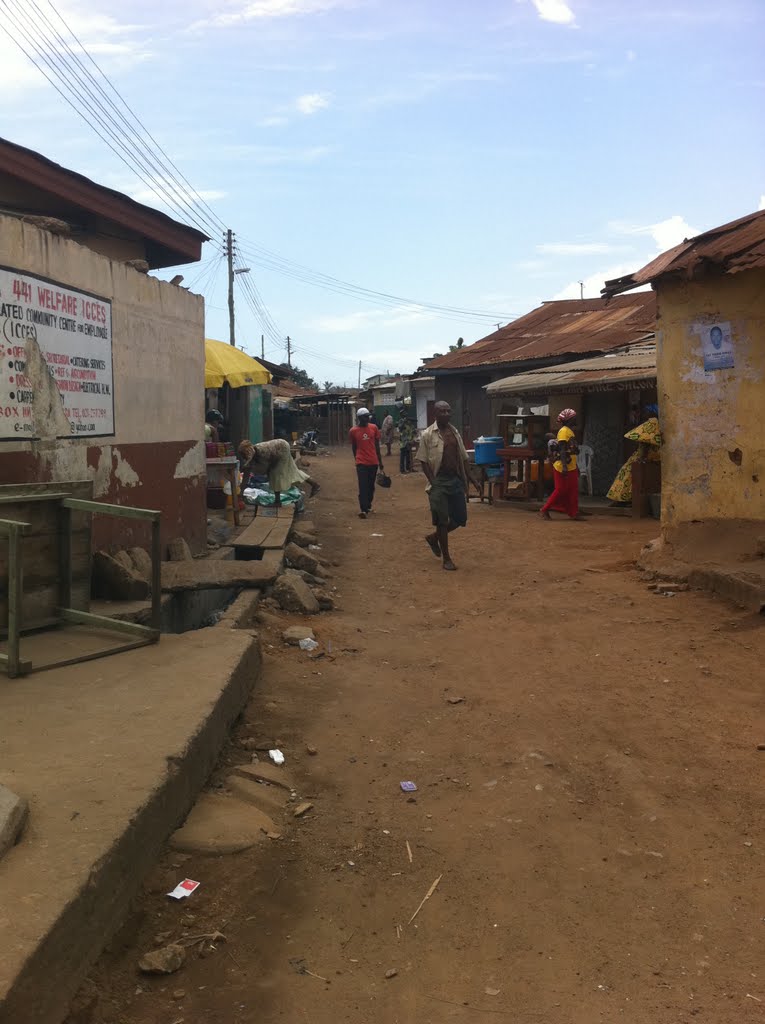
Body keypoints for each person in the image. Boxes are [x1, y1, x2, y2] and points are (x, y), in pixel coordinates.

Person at [416, 401, 479, 571]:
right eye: (442, 411)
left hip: (455, 480)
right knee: (442, 521)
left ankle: (433, 538)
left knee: (460, 518)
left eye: (448, 411)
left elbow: (463, 457)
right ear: (434, 415)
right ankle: (447, 559)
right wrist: (434, 483)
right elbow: (423, 461)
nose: (446, 414)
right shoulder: (427, 434)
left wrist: (472, 479)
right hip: (439, 482)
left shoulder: (454, 432)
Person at [238, 438, 320, 507]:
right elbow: (247, 474)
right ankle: (314, 484)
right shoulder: (254, 453)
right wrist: (241, 492)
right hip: (278, 449)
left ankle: (277, 502)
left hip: (282, 449)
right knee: (289, 471)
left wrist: (266, 470)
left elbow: (271, 463)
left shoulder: (262, 451)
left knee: (275, 475)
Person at [606, 407, 662, 504]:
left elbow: (644, 449)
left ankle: (621, 499)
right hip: (652, 460)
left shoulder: (647, 431)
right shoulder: (657, 430)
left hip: (641, 459)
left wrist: (642, 459)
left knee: (626, 475)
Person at [540, 409, 582, 521]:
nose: (576, 419)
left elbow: (571, 451)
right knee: (560, 489)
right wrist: (564, 466)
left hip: (571, 465)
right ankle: (545, 509)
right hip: (562, 466)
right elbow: (562, 450)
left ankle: (573, 513)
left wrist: (575, 466)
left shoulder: (569, 431)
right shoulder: (564, 431)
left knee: (573, 490)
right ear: (570, 420)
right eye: (574, 418)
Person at [349, 407, 383, 519]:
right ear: (359, 418)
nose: (367, 418)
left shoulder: (374, 428)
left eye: (368, 416)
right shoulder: (353, 431)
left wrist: (380, 462)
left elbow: (377, 446)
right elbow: (354, 447)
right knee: (362, 486)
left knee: (370, 486)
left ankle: (368, 505)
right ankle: (363, 509)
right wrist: (357, 459)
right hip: (361, 462)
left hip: (373, 461)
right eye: (365, 416)